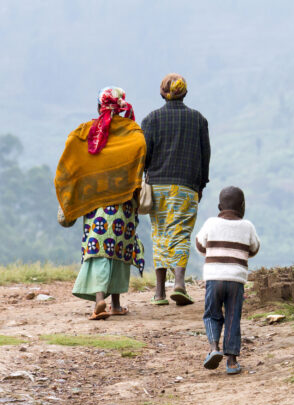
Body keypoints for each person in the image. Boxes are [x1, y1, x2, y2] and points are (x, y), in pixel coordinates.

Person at [55, 87, 147, 320]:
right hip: (124, 206)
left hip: (96, 206)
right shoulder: (133, 133)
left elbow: (69, 163)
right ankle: (115, 303)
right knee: (119, 252)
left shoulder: (84, 132)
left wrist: (76, 193)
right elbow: (140, 162)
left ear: (99, 107)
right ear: (122, 106)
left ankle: (100, 301)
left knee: (99, 251)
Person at [141, 73, 210, 306]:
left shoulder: (151, 119)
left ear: (163, 93)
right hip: (186, 187)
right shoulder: (198, 120)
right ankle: (179, 283)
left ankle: (159, 292)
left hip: (157, 185)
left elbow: (144, 155)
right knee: (180, 233)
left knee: (159, 233)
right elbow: (205, 156)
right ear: (185, 93)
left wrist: (141, 180)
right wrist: (200, 185)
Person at [195, 186, 260, 375]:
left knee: (212, 314)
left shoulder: (210, 223)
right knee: (233, 317)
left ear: (219, 206)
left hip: (214, 278)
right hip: (236, 280)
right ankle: (231, 361)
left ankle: (214, 348)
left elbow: (200, 245)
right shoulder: (248, 226)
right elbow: (254, 249)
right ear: (242, 206)